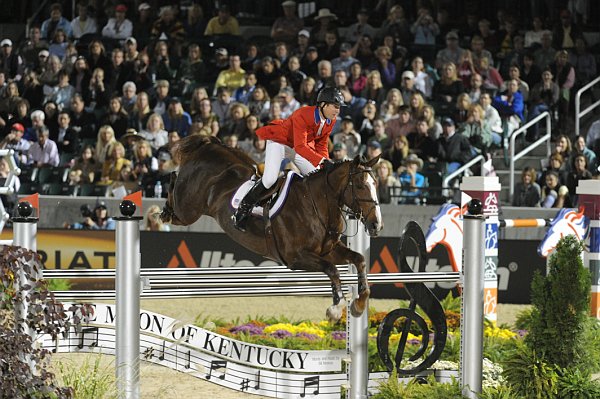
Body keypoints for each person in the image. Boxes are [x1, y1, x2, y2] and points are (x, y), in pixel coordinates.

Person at [232, 87, 344, 231]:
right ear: (323, 104)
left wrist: (325, 161)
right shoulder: (303, 114)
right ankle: (243, 209)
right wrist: (322, 161)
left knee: (319, 176)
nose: (338, 110)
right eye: (335, 106)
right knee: (269, 180)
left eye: (339, 107)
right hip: (280, 142)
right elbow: (300, 146)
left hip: (298, 147)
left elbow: (321, 144)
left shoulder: (331, 120)